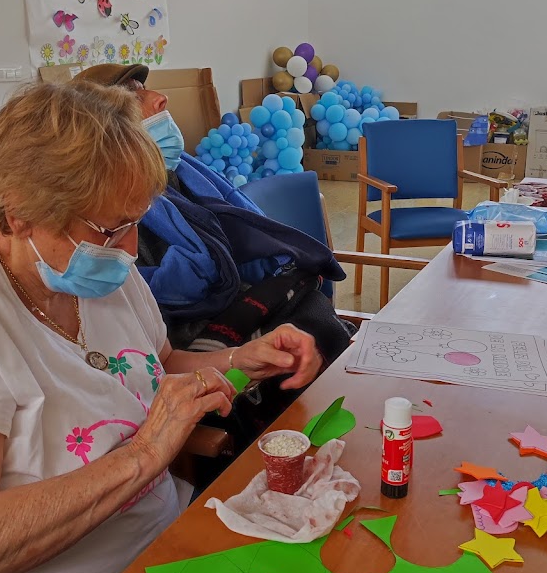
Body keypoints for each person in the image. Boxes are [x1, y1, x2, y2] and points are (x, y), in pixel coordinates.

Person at [0, 79, 321, 573]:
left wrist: (241, 361)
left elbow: (155, 369)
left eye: (136, 223)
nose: (130, 250)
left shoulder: (91, 267)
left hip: (160, 556)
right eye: (111, 229)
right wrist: (146, 454)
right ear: (19, 212)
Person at [71, 64, 354, 446]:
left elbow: (165, 352)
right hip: (199, 331)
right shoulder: (101, 236)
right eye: (135, 95)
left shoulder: (179, 174)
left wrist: (242, 356)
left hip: (232, 319)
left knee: (312, 326)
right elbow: (163, 345)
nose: (160, 99)